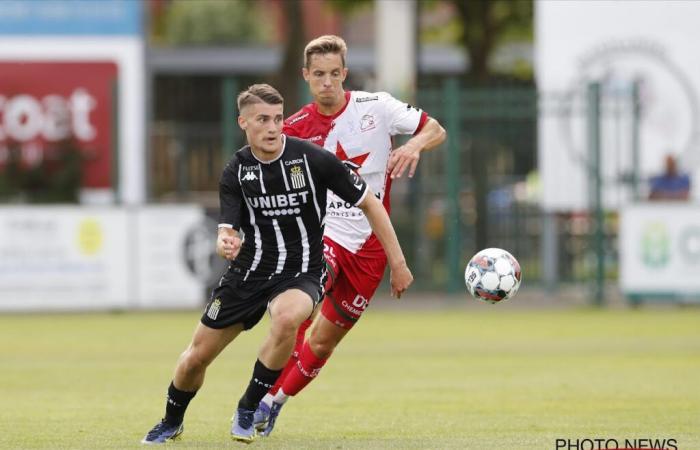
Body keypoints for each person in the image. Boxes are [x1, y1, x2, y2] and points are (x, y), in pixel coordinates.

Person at [141, 84, 413, 444]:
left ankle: (249, 407)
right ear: (244, 123)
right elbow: (227, 228)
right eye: (262, 120)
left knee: (288, 317)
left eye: (278, 119)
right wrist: (225, 240)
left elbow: (370, 204)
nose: (272, 127)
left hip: (302, 271)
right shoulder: (236, 171)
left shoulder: (312, 160)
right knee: (195, 358)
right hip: (249, 274)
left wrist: (398, 262)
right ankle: (171, 421)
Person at [254, 35, 446, 436]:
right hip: (324, 235)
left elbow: (435, 129)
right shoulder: (294, 130)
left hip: (372, 246)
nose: (327, 82)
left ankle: (273, 403)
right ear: (306, 76)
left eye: (334, 74)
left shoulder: (377, 107)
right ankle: (254, 398)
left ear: (344, 73)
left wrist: (414, 146)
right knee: (300, 311)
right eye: (318, 75)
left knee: (323, 343)